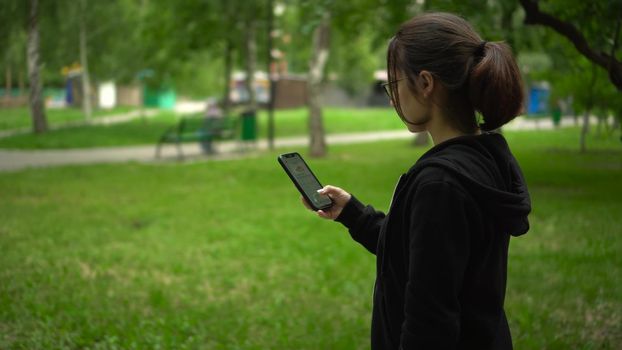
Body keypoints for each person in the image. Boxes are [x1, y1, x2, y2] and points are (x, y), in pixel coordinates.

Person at [301, 13, 531, 349]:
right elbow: (419, 253)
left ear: (425, 83)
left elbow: (430, 321)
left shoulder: (440, 185)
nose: (392, 98)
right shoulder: (484, 157)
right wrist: (353, 213)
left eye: (394, 85)